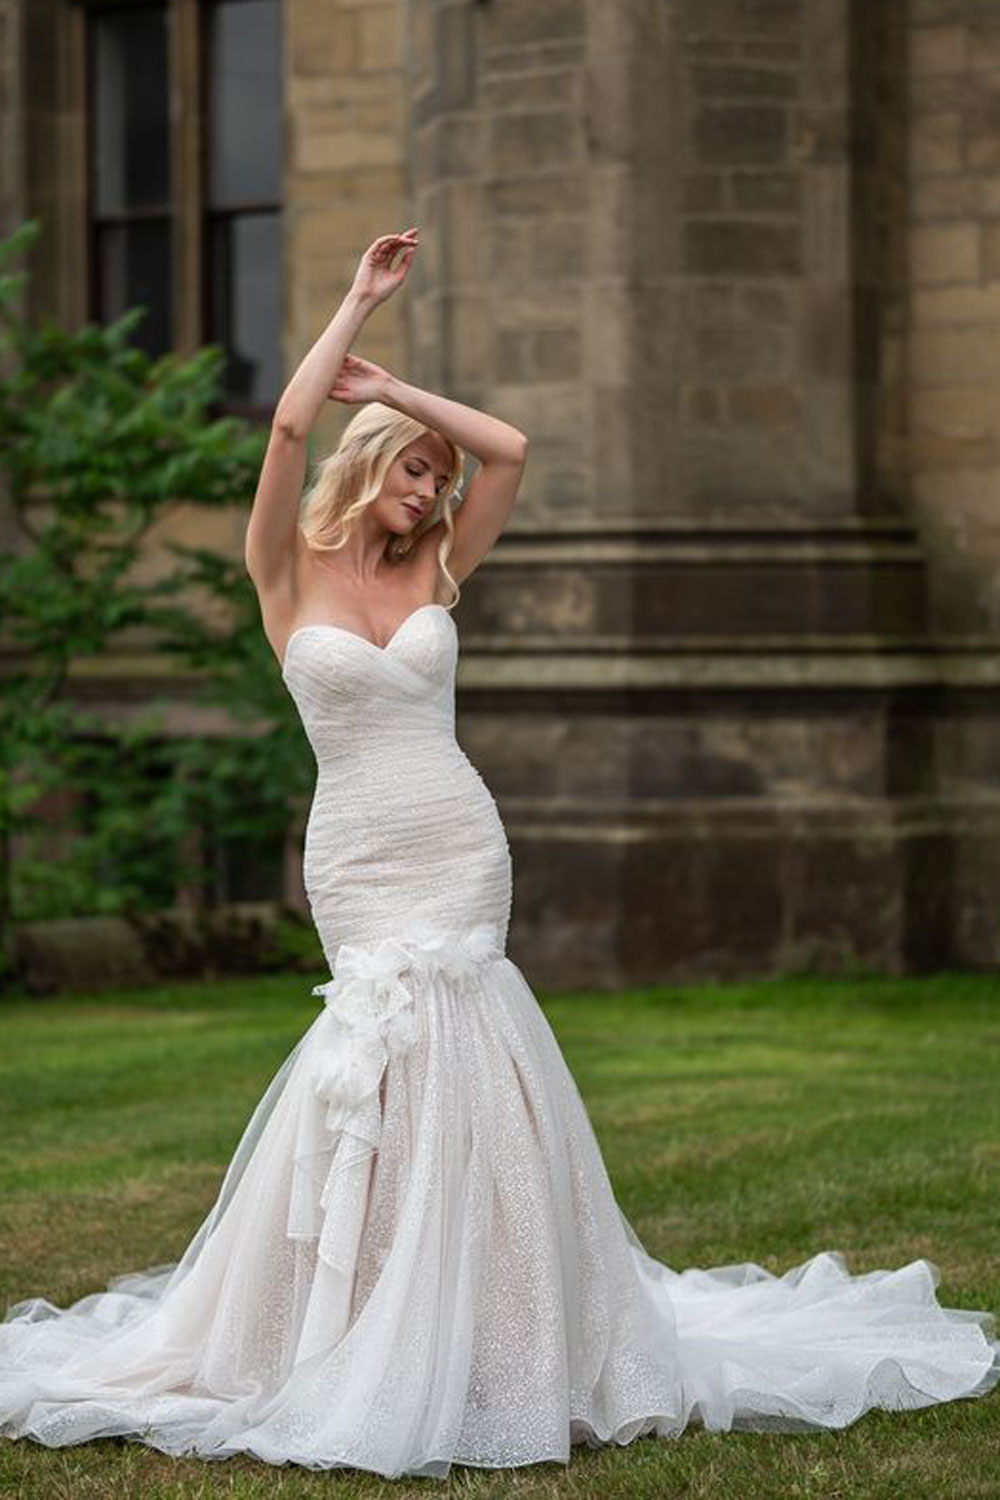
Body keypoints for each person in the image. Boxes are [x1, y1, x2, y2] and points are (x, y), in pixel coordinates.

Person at [1, 230, 997, 1480]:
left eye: (437, 478)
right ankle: (349, 1324)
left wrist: (400, 389)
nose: (430, 493)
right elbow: (286, 430)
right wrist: (354, 308)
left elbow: (513, 448)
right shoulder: (283, 575)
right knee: (375, 1059)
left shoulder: (439, 569)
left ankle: (500, 1335)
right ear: (368, 466)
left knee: (470, 1053)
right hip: (357, 850)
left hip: (458, 841)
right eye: (414, 471)